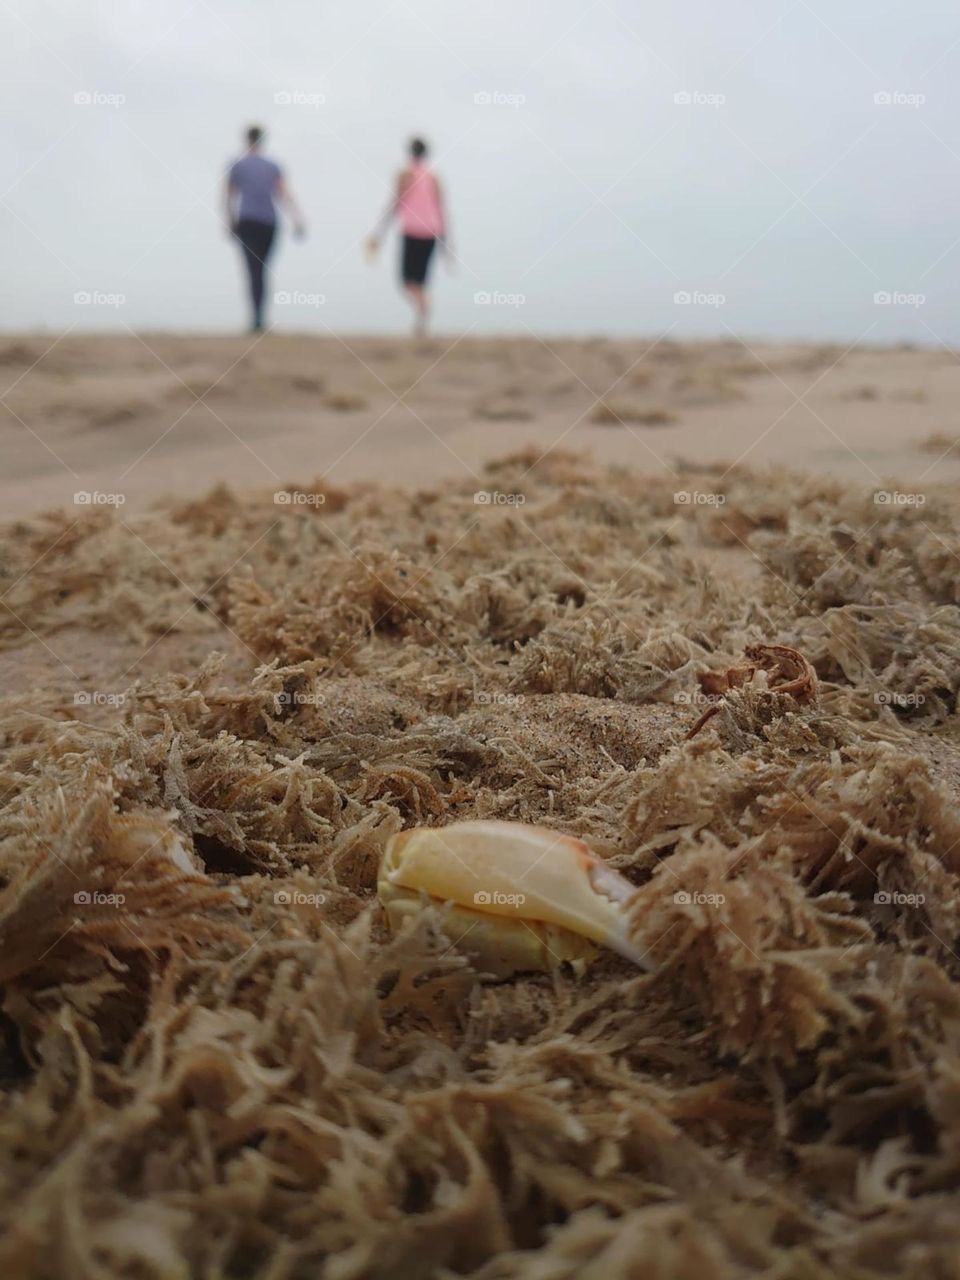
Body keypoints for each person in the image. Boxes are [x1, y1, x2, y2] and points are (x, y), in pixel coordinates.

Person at [224, 125, 305, 332]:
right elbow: (284, 194)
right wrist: (297, 219)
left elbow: (229, 196)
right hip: (269, 222)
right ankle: (259, 318)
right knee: (262, 270)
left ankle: (257, 319)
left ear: (247, 139)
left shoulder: (238, 165)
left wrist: (229, 220)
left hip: (248, 221)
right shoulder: (272, 166)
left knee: (254, 270)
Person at [367, 137, 449, 337]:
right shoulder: (433, 176)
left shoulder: (406, 174)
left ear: (409, 152)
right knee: (419, 280)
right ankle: (422, 315)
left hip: (413, 230)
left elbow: (395, 202)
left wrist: (379, 232)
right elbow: (441, 209)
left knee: (407, 281)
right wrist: (445, 240)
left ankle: (422, 313)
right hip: (432, 230)